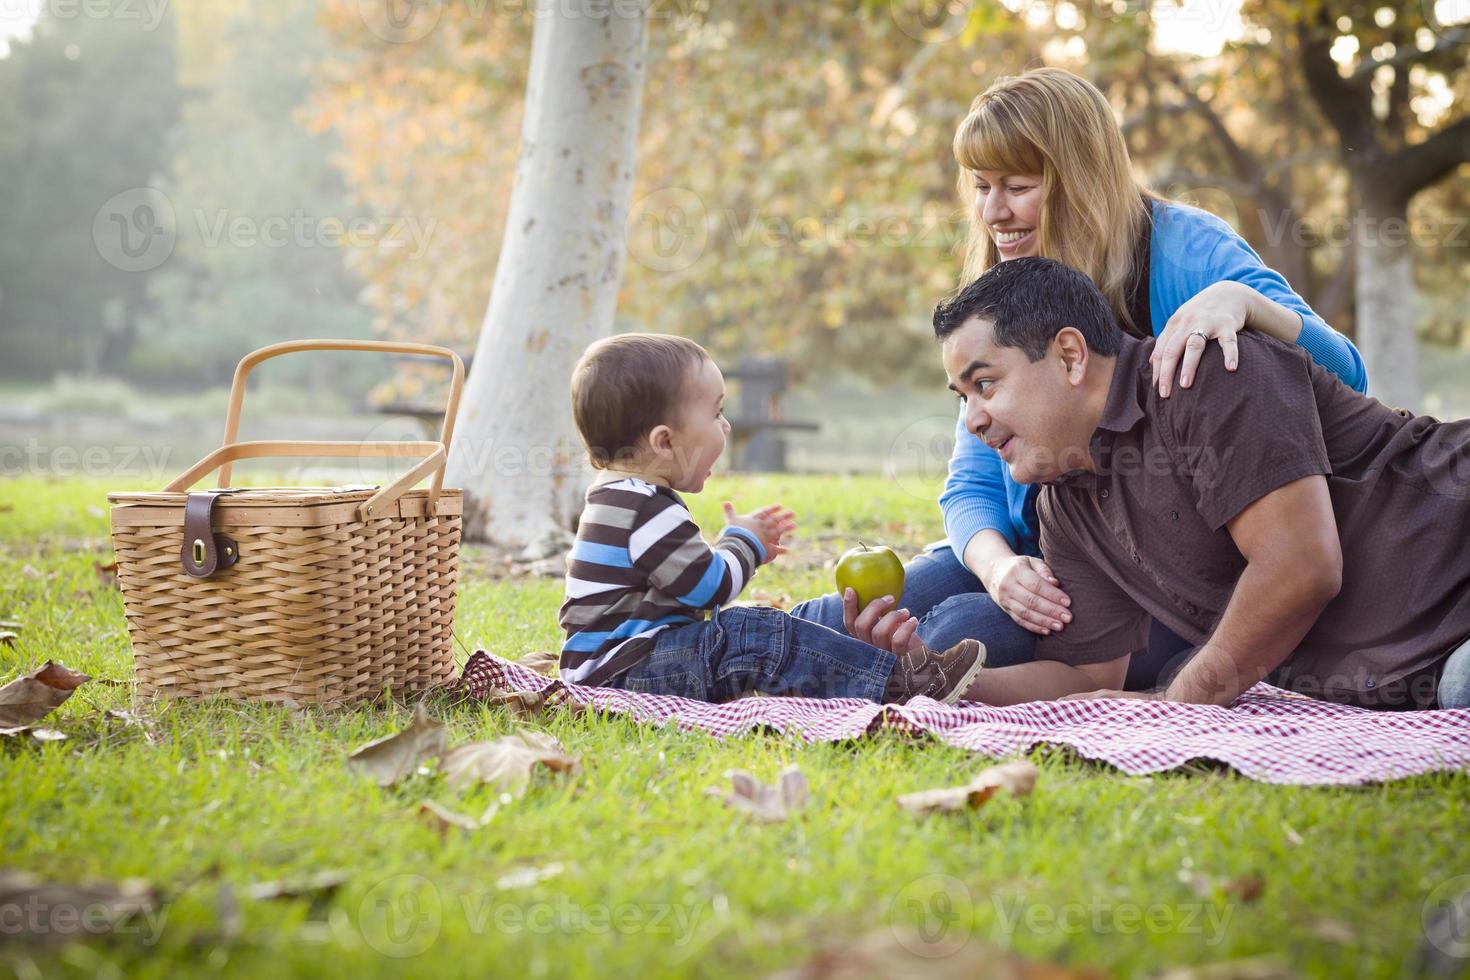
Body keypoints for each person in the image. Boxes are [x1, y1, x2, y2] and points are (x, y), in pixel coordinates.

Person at [791, 67, 1368, 689]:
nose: (993, 211)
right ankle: (726, 653)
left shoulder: (1181, 250)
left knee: (958, 630)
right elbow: (971, 486)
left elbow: (1344, 375)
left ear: (1079, 180)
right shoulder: (1003, 293)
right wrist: (1000, 569)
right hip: (1044, 552)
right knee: (858, 611)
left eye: (1017, 185)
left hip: (1159, 571)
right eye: (982, 186)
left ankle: (880, 678)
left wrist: (1243, 301)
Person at [846, 256, 1468, 710]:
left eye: (985, 384)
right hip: (1428, 671)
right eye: (961, 397)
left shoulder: (1210, 374)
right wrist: (936, 680)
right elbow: (1089, 681)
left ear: (1069, 355)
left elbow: (1300, 566)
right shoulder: (1064, 503)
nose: (973, 418)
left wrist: (1180, 704)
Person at [557, 333, 986, 704]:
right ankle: (897, 683)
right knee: (751, 631)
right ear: (664, 442)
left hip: (624, 666)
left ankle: (866, 676)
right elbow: (708, 588)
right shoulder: (645, 508)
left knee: (743, 634)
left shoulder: (618, 499)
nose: (725, 427)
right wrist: (743, 542)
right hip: (628, 673)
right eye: (716, 413)